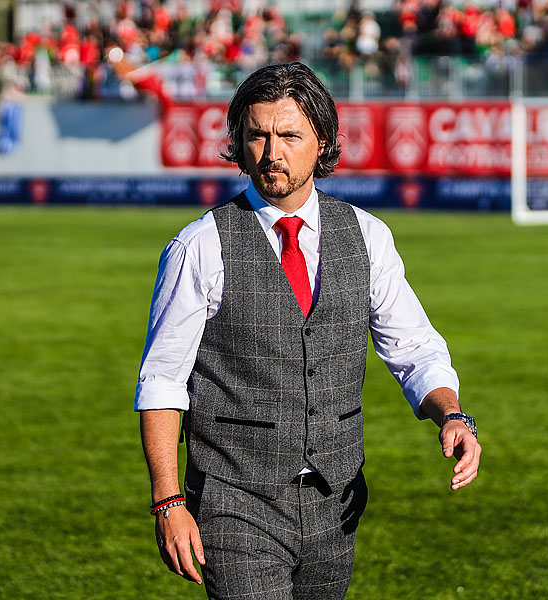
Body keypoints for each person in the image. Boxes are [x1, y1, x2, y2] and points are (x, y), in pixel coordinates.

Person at [134, 61, 481, 600]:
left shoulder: (368, 236)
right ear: (238, 141)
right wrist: (167, 500)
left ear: (322, 142)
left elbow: (413, 349)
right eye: (257, 135)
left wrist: (452, 414)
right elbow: (161, 382)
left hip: (336, 505)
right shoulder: (198, 246)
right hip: (234, 504)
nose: (272, 153)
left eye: (289, 135)